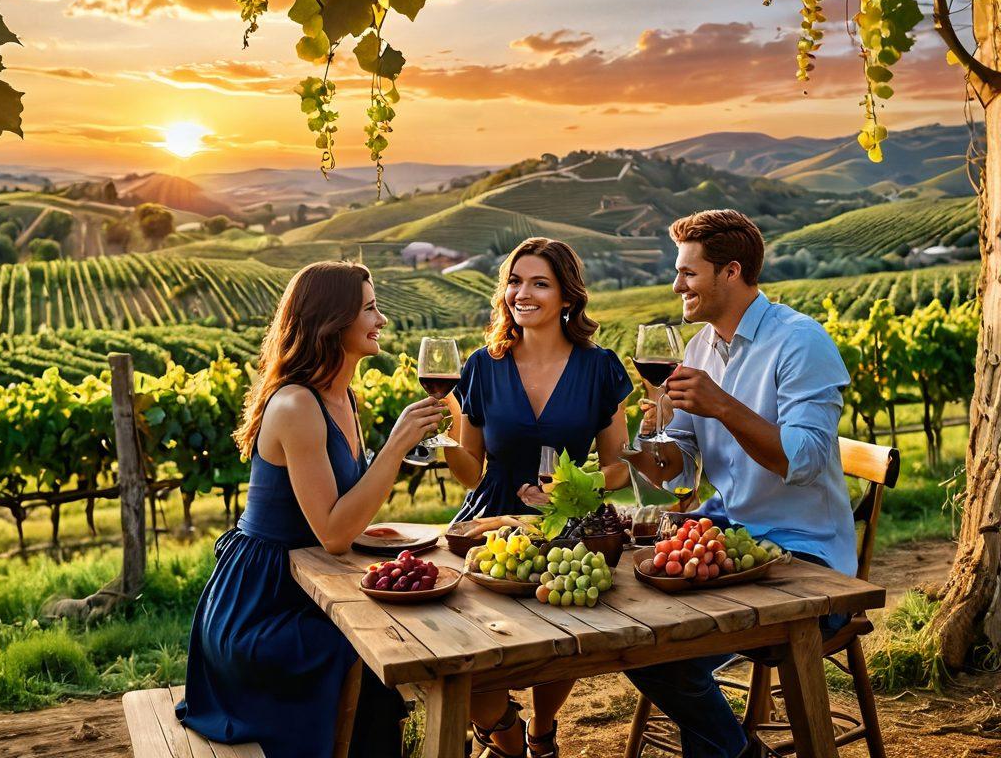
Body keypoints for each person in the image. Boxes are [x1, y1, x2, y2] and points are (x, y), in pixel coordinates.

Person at [177, 262, 447, 758]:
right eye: (369, 309)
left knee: (404, 633)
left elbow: (347, 513)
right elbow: (333, 533)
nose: (382, 319)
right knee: (369, 648)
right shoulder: (297, 405)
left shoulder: (343, 395)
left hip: (307, 585)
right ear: (332, 321)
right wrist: (396, 447)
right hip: (261, 604)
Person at [625, 209, 856, 758]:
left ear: (731, 272)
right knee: (637, 635)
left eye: (688, 272)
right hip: (730, 537)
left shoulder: (801, 341)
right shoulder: (700, 347)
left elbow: (803, 459)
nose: (676, 284)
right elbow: (677, 471)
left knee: (668, 655)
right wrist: (645, 441)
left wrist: (721, 405)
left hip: (808, 557)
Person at [443, 237, 633, 758]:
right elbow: (468, 471)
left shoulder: (600, 368)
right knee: (469, 650)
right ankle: (502, 731)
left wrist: (575, 489)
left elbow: (618, 467)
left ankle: (543, 730)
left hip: (571, 523)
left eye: (539, 283)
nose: (521, 293)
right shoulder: (482, 366)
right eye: (515, 281)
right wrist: (439, 444)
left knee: (563, 639)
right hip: (493, 524)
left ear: (567, 297)